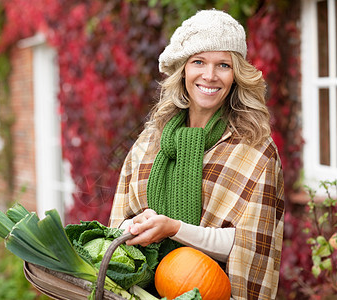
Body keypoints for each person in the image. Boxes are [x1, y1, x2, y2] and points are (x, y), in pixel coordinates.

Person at [109, 9, 284, 300]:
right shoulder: (149, 142)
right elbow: (119, 223)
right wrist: (136, 225)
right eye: (199, 62)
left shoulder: (255, 148)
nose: (210, 76)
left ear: (236, 75)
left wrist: (173, 229)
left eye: (223, 65)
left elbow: (247, 245)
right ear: (183, 70)